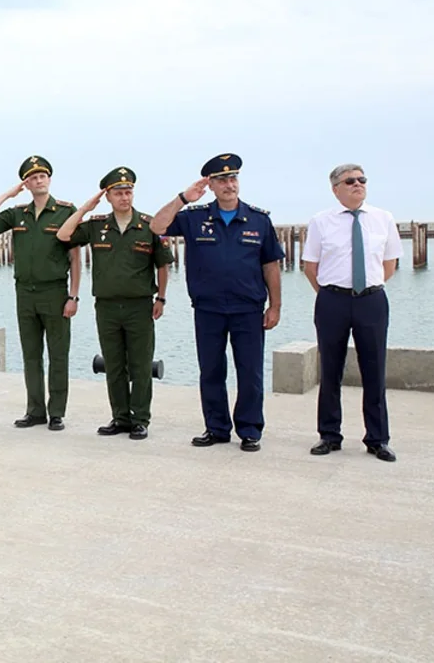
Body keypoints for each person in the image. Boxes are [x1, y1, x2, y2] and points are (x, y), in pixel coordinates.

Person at [150, 153, 284, 452]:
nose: (229, 184)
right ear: (210, 184)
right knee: (211, 371)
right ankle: (216, 428)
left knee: (250, 372)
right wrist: (184, 198)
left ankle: (250, 430)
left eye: (233, 178)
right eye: (222, 180)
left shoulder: (259, 220)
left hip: (248, 309)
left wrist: (275, 306)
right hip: (208, 309)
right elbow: (157, 227)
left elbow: (271, 266)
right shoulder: (194, 217)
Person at [58, 167, 174, 440]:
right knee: (114, 364)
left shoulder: (149, 224)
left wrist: (162, 298)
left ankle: (140, 419)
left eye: (128, 191)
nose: (125, 197)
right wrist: (86, 207)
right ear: (108, 196)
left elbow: (163, 266)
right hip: (107, 307)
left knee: (142, 364)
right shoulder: (97, 225)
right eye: (118, 193)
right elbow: (64, 235)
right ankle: (120, 417)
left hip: (140, 306)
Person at [302, 164, 401, 462]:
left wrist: (366, 289)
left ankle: (378, 438)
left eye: (362, 180)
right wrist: (333, 295)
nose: (358, 184)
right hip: (332, 299)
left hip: (371, 300)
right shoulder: (321, 222)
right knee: (331, 370)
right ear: (336, 189)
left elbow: (389, 264)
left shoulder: (383, 219)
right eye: (350, 181)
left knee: (374, 370)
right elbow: (311, 266)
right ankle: (329, 435)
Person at [0, 157, 81, 431]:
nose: (39, 180)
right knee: (31, 355)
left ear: (49, 179)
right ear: (26, 182)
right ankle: (35, 410)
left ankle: (56, 412)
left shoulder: (66, 211)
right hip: (25, 292)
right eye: (33, 177)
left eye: (43, 176)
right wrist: (8, 194)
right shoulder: (18, 213)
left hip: (55, 292)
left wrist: (74, 296)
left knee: (58, 355)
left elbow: (75, 258)